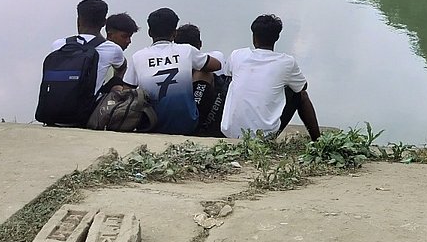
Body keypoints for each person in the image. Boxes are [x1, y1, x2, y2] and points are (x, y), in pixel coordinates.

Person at [220, 14, 321, 142]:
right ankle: (317, 140)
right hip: (263, 137)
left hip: (230, 131)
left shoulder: (237, 55)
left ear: (253, 36)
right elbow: (302, 86)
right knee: (301, 95)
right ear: (277, 37)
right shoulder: (286, 62)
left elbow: (227, 74)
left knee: (231, 83)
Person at [122, 8, 219, 134]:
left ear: (150, 32)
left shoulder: (138, 56)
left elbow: (126, 91)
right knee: (205, 71)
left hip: (150, 125)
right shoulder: (187, 50)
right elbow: (217, 65)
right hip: (188, 124)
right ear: (174, 33)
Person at [49, 0, 126, 99]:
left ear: (79, 20)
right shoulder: (112, 49)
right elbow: (122, 67)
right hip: (90, 110)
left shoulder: (58, 45)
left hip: (53, 108)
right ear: (104, 22)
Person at [175, 23, 229, 136]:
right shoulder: (217, 56)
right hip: (217, 117)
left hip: (199, 118)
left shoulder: (174, 65)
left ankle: (196, 123)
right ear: (200, 44)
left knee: (204, 72)